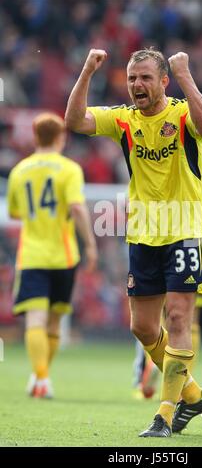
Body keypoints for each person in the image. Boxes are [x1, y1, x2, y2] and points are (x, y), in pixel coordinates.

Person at [65, 47, 202, 437]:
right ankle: (193, 393)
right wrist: (87, 71)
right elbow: (74, 120)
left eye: (146, 77)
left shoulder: (181, 112)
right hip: (144, 233)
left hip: (184, 228)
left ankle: (165, 414)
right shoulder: (124, 120)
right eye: (133, 78)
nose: (137, 85)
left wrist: (185, 73)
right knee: (143, 328)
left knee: (178, 318)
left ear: (163, 81)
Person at [133, 146, 202, 401]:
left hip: (154, 240)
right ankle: (188, 384)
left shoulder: (162, 153)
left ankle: (150, 371)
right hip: (194, 242)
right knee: (192, 318)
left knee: (157, 318)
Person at [7, 112, 98, 398]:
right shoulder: (69, 169)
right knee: (55, 321)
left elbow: (14, 212)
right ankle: (41, 376)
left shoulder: (19, 170)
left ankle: (40, 377)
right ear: (62, 137)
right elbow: (77, 208)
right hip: (64, 255)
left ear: (35, 137)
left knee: (35, 319)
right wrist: (91, 244)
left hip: (32, 255)